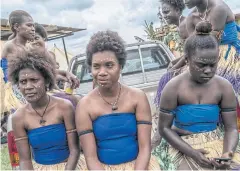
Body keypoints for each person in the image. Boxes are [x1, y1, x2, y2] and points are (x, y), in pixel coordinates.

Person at [156, 21, 240, 170]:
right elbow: (164, 128)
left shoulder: (224, 87)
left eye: (213, 64)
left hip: (216, 140)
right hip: (183, 145)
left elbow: (231, 128)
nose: (208, 70)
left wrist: (227, 154)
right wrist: (193, 153)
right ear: (187, 60)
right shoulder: (173, 87)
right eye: (201, 65)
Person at [75, 30, 160, 170]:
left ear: (120, 66)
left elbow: (145, 148)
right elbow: (91, 157)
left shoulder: (137, 97)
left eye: (109, 65)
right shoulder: (85, 106)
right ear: (90, 69)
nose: (102, 72)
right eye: (96, 66)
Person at [156, 0, 240, 130]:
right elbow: (193, 49)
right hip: (202, 57)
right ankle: (177, 125)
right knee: (168, 79)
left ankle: (225, 126)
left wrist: (177, 65)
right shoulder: (192, 17)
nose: (185, 1)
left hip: (226, 56)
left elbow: (210, 45)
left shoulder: (218, 8)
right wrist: (174, 67)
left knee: (219, 81)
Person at [8, 51, 80, 170]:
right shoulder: (18, 117)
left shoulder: (64, 107)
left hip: (71, 166)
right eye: (23, 82)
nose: (28, 86)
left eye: (34, 80)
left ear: (47, 81)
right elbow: (25, 160)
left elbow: (75, 150)